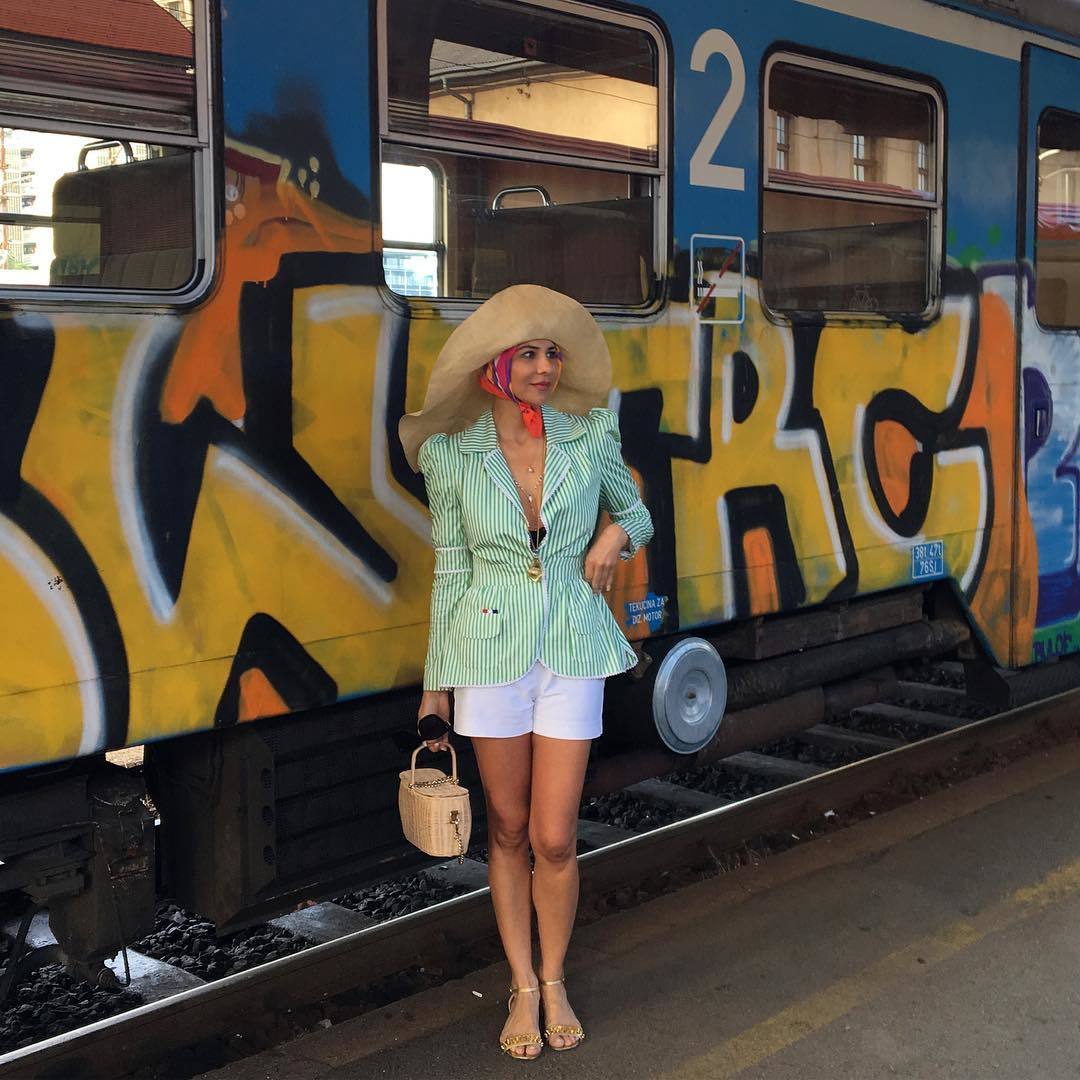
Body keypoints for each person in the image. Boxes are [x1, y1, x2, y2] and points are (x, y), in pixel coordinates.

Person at [399, 284, 653, 1060]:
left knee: (554, 836)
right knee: (507, 830)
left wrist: (613, 537)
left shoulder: (590, 433)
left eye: (553, 354)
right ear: (493, 366)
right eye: (529, 354)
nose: (545, 368)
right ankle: (522, 985)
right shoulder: (452, 454)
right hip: (487, 657)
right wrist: (436, 684)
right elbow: (451, 570)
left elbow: (638, 513)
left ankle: (556, 977)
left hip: (573, 649)